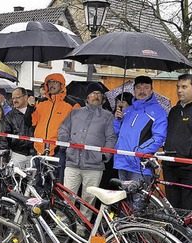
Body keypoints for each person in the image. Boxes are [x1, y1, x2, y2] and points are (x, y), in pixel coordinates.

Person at [58, 83, 117, 221]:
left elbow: (111, 138)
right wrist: (66, 145)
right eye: (93, 93)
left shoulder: (108, 116)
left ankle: (81, 225)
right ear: (87, 97)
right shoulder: (75, 113)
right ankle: (64, 224)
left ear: (102, 97)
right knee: (67, 195)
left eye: (98, 93)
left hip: (94, 165)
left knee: (88, 199)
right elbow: (63, 129)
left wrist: (104, 156)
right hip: (72, 162)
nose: (96, 96)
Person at [113, 76, 167, 183]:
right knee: (124, 199)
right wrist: (117, 120)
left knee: (138, 199)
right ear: (133, 90)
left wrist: (138, 152)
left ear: (151, 90)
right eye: (138, 87)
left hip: (140, 166)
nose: (142, 91)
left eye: (146, 87)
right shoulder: (128, 111)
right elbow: (118, 134)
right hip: (122, 163)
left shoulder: (158, 112)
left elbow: (159, 137)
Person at [30, 73, 81, 184]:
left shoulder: (72, 105)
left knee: (56, 184)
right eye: (49, 82)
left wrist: (63, 146)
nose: (51, 85)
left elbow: (77, 130)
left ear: (62, 85)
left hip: (58, 151)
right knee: (38, 183)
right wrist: (30, 107)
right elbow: (31, 122)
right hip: (39, 149)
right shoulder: (41, 102)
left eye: (55, 82)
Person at [163, 74, 192, 210]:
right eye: (178, 87)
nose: (179, 90)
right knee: (173, 208)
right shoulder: (174, 111)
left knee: (187, 207)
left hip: (188, 168)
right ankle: (173, 231)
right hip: (170, 166)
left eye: (184, 87)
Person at [0, 87, 36, 168]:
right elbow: (4, 137)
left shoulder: (36, 111)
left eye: (17, 97)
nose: (15, 100)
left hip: (35, 155)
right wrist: (4, 157)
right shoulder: (9, 116)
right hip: (18, 155)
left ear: (26, 97)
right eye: (13, 98)